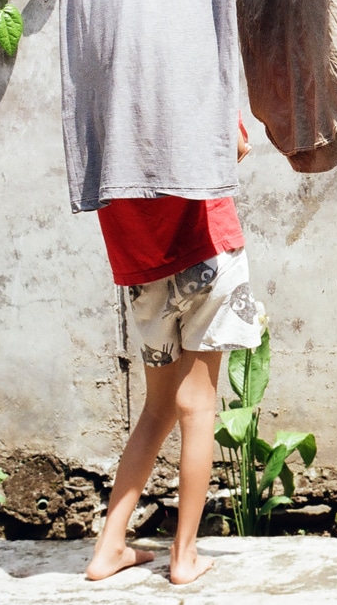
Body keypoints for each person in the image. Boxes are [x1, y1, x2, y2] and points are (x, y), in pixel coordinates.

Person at [83, 120, 261, 585]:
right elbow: (237, 144)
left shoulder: (100, 87)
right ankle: (184, 557)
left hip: (141, 265)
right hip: (207, 251)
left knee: (156, 408)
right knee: (198, 405)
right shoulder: (191, 67)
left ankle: (108, 548)